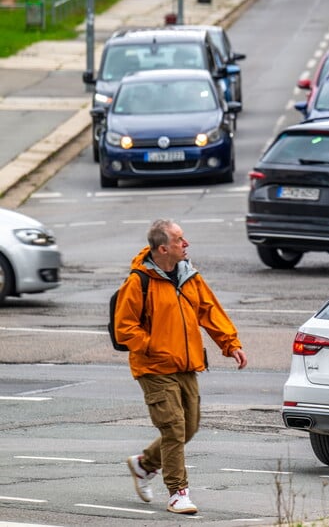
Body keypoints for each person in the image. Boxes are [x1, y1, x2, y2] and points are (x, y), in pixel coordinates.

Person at [115, 219, 248, 515]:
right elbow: (124, 328)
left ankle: (143, 465)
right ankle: (178, 493)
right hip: (153, 367)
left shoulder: (189, 276)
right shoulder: (139, 281)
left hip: (186, 364)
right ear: (163, 248)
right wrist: (154, 346)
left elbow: (208, 309)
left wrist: (230, 343)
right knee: (174, 428)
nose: (185, 244)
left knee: (189, 426)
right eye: (179, 240)